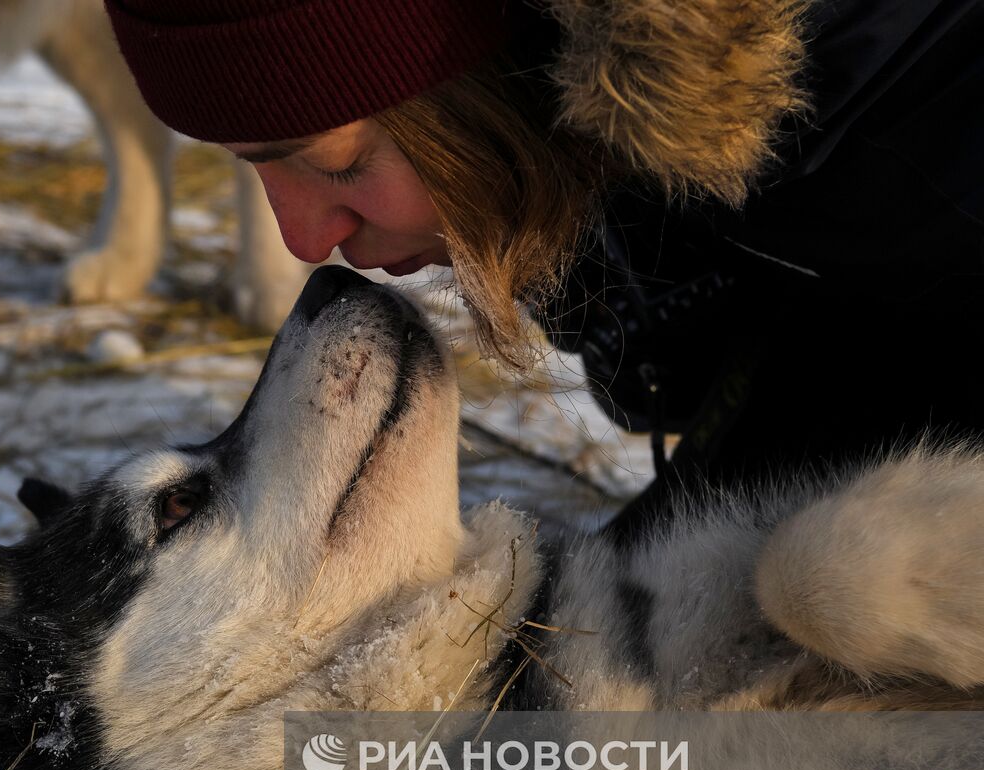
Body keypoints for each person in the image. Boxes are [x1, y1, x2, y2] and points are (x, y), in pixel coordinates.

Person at [104, 0, 984, 538]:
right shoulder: (629, 154)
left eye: (335, 163)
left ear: (484, 66)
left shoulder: (915, 87)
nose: (302, 239)